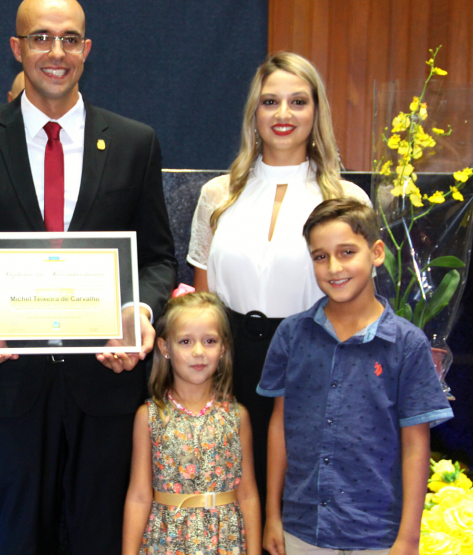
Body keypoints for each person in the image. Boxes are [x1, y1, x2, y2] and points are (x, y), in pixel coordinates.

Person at [0, 0, 177, 552]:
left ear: (86, 51)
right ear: (17, 49)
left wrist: (138, 311)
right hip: (11, 385)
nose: (56, 52)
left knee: (99, 540)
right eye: (41, 38)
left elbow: (160, 260)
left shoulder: (135, 142)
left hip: (107, 382)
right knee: (19, 539)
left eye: (70, 39)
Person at [187, 52, 370, 513]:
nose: (284, 115)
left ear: (317, 112)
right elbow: (202, 299)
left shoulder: (346, 199)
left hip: (312, 360)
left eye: (298, 101)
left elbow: (358, 305)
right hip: (228, 362)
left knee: (297, 501)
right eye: (271, 102)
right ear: (255, 113)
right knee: (230, 495)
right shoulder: (217, 193)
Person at [257, 199, 453, 555]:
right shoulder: (291, 335)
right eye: (320, 256)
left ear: (376, 252)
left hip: (378, 535)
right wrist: (273, 515)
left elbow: (415, 445)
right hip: (302, 532)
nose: (334, 267)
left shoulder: (407, 343)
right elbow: (279, 425)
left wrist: (409, 538)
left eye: (347, 252)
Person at [123, 290, 262, 555]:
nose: (198, 352)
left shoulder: (237, 416)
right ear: (165, 348)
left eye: (209, 341)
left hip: (227, 543)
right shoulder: (149, 417)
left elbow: (248, 495)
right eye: (185, 342)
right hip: (166, 543)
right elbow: (139, 497)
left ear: (223, 348)